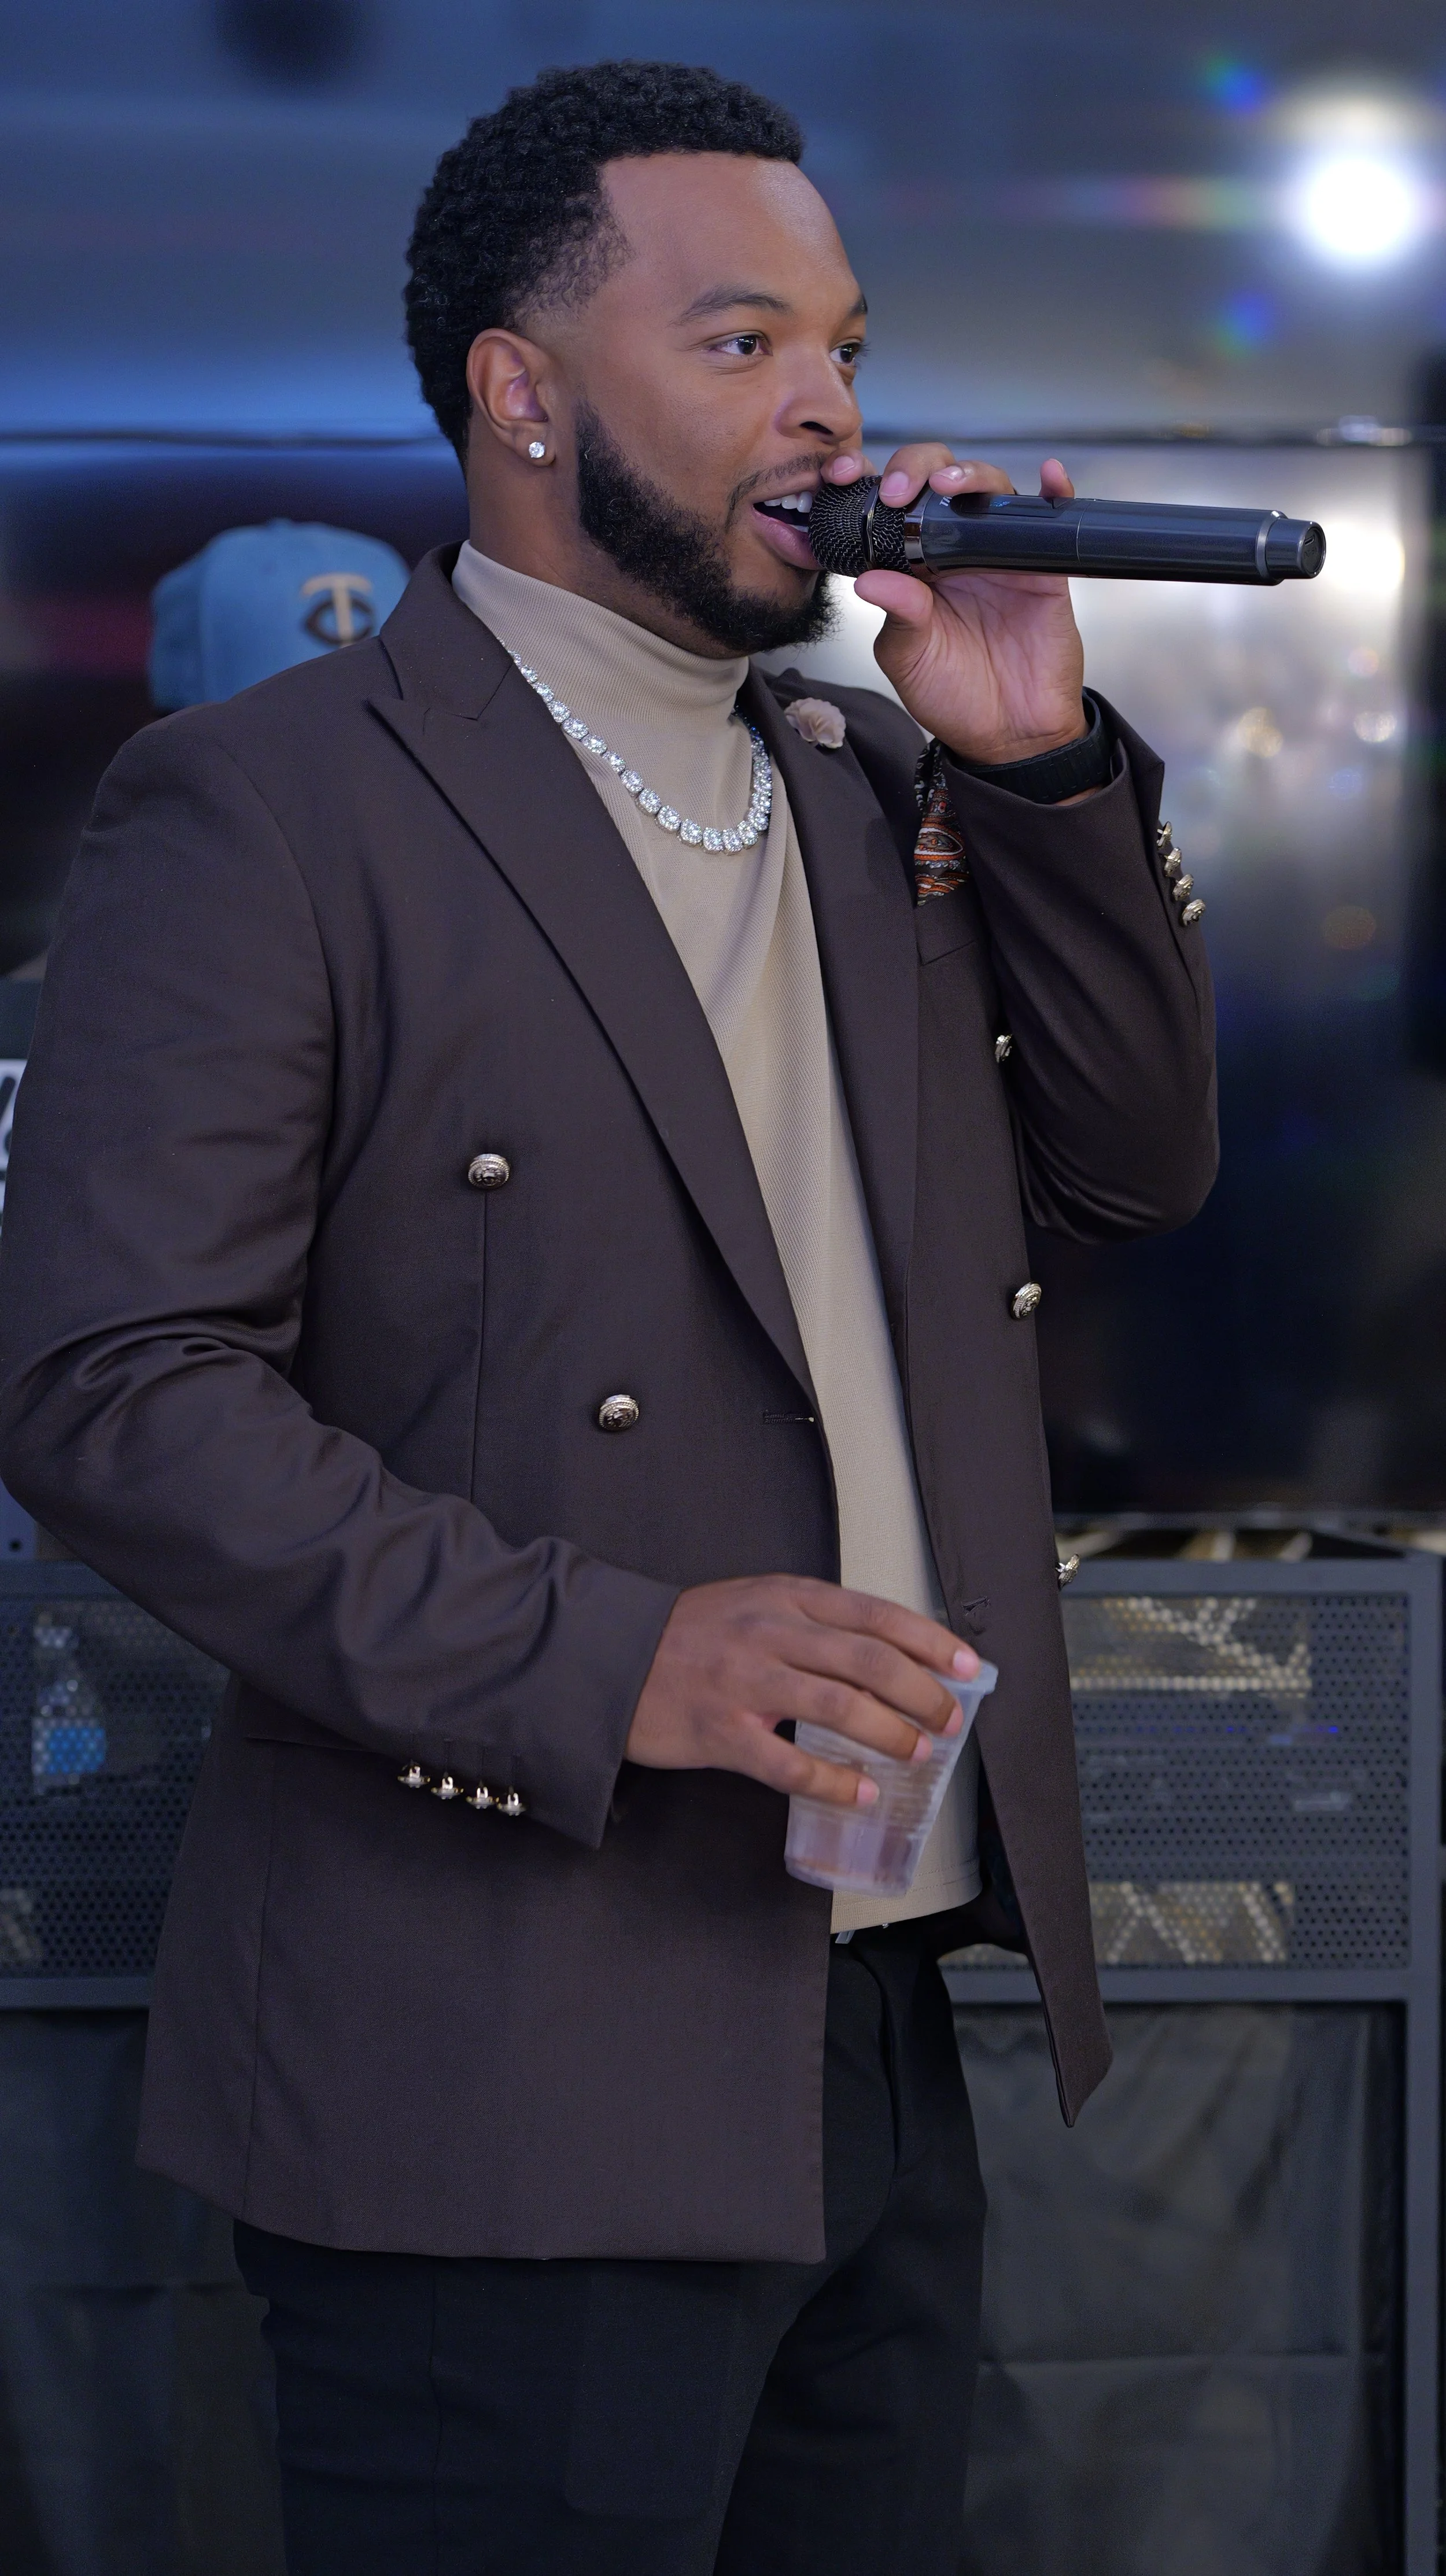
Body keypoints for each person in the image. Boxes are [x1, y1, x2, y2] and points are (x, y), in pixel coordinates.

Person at [0, 60, 1217, 2576]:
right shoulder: (274, 804)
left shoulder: (879, 782)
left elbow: (1130, 1164)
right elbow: (112, 1387)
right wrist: (613, 1661)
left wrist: (1039, 759)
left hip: (866, 2004)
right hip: (494, 2044)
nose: (830, 408)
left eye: (845, 349)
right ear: (520, 391)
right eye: (746, 338)